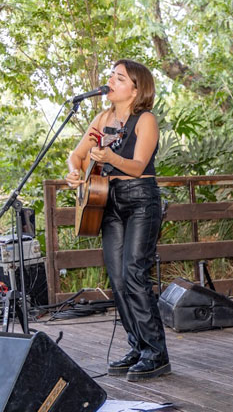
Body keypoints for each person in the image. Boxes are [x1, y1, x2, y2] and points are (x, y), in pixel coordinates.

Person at [65, 59, 170, 380]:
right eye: (111, 75)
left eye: (119, 77)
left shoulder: (145, 119)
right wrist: (73, 171)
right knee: (119, 279)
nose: (110, 80)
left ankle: (157, 353)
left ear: (136, 89)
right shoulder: (102, 118)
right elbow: (77, 154)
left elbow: (139, 166)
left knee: (135, 273)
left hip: (140, 199)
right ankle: (138, 346)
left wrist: (110, 157)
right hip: (108, 203)